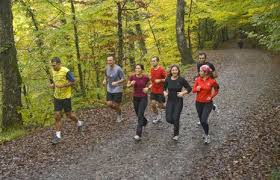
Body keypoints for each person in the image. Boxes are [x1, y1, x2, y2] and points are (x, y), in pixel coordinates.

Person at [50, 57, 83, 145]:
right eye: (52, 65)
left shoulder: (66, 71)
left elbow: (73, 81)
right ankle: (58, 136)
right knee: (57, 115)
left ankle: (79, 122)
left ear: (59, 64)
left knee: (69, 115)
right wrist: (53, 85)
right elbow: (56, 82)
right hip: (57, 97)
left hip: (66, 97)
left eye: (54, 65)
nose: (53, 67)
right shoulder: (53, 71)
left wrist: (64, 85)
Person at [163, 65, 192, 141]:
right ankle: (176, 123)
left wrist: (183, 93)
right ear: (171, 71)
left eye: (176, 70)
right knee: (168, 119)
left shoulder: (181, 79)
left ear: (178, 71)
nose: (174, 71)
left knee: (176, 117)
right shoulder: (168, 79)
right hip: (170, 101)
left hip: (178, 101)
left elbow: (189, 88)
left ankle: (176, 134)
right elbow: (163, 88)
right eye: (173, 70)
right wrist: (164, 92)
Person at [193, 65, 219, 144]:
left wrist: (211, 96)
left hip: (208, 103)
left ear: (206, 72)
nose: (199, 72)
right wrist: (196, 89)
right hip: (198, 103)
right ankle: (205, 132)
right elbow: (193, 90)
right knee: (201, 120)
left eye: (201, 71)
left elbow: (217, 90)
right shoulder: (197, 80)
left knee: (204, 120)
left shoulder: (212, 81)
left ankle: (207, 135)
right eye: (199, 71)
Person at [127, 64, 150, 141]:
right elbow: (127, 85)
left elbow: (151, 84)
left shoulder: (145, 77)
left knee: (140, 114)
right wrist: (130, 84)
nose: (137, 70)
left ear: (141, 69)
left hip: (143, 98)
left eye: (139, 68)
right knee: (138, 114)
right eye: (136, 68)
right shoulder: (132, 77)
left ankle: (138, 134)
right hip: (135, 98)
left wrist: (147, 88)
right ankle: (145, 121)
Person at [196, 52, 219, 125]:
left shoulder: (210, 65)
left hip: (210, 84)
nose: (201, 59)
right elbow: (200, 74)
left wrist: (210, 78)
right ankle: (213, 107)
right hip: (202, 83)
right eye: (200, 58)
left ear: (205, 58)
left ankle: (204, 119)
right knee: (203, 98)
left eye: (203, 58)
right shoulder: (198, 64)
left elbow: (216, 75)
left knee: (208, 98)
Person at [103, 55, 125, 122]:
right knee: (109, 104)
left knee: (115, 105)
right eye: (108, 60)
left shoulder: (118, 69)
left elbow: (124, 79)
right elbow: (106, 76)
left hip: (118, 89)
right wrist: (104, 80)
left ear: (114, 61)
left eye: (110, 60)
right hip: (109, 88)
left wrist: (116, 82)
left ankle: (119, 115)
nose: (109, 62)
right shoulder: (106, 68)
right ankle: (119, 111)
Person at [149, 56, 167, 124]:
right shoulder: (151, 69)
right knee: (153, 104)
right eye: (152, 61)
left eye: (154, 61)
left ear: (157, 61)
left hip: (160, 90)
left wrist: (160, 80)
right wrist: (151, 84)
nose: (153, 62)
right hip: (153, 90)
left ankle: (168, 107)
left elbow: (167, 79)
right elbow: (152, 79)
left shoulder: (161, 69)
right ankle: (158, 116)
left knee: (161, 106)